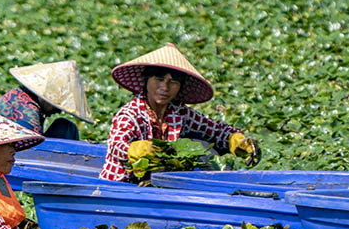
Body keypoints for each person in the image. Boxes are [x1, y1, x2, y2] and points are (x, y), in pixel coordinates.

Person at [99, 43, 261, 183]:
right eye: (159, 80)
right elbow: (116, 146)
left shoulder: (178, 112)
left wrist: (236, 140)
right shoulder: (130, 114)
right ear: (146, 80)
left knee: (205, 149)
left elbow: (216, 130)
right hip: (124, 182)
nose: (165, 87)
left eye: (173, 82)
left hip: (157, 182)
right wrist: (134, 150)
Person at [0, 60, 94, 140]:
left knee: (65, 126)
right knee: (65, 128)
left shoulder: (19, 93)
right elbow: (30, 153)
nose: (59, 111)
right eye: (56, 105)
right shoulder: (28, 116)